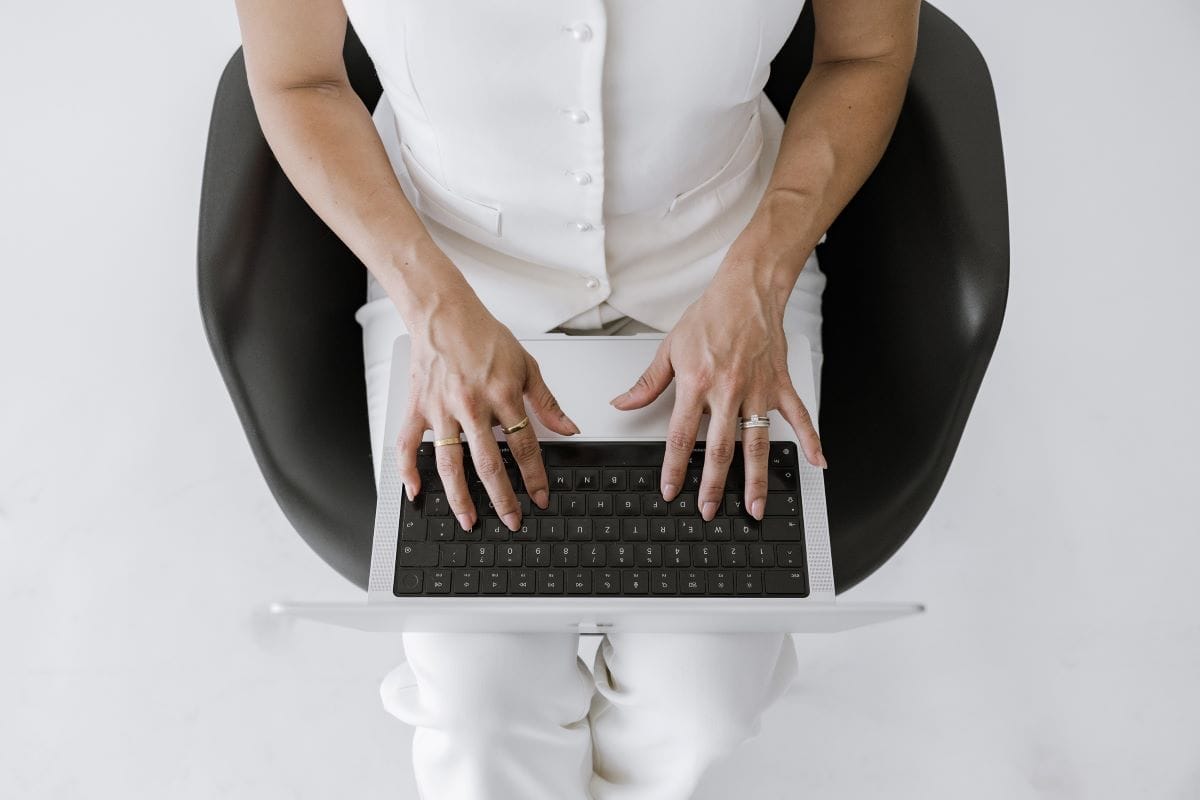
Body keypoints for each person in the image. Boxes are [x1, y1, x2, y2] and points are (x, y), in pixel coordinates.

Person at [234, 0, 918, 796]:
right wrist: (430, 305)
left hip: (729, 267)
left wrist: (759, 278)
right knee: (480, 703)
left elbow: (864, 53)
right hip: (451, 276)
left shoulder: (747, 277)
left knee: (703, 705)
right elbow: (298, 76)